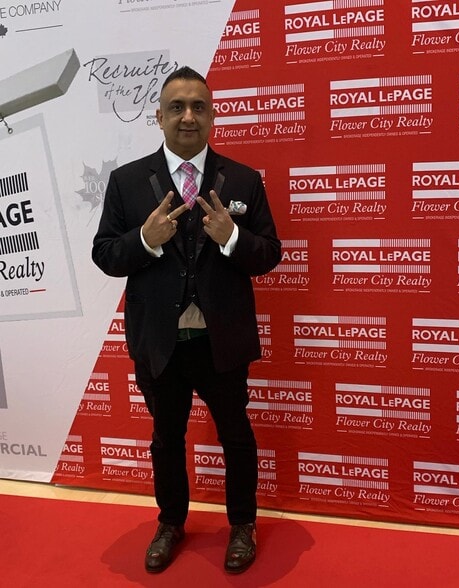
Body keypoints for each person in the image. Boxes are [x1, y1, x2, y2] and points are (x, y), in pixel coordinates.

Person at [92, 66, 281, 575]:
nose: (188, 116)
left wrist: (232, 237)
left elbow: (269, 253)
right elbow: (105, 254)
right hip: (160, 342)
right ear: (159, 116)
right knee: (166, 439)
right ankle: (171, 522)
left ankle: (242, 524)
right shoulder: (127, 181)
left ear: (213, 115)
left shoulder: (243, 180)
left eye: (199, 106)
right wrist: (145, 239)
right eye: (177, 107)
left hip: (222, 341)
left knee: (236, 436)